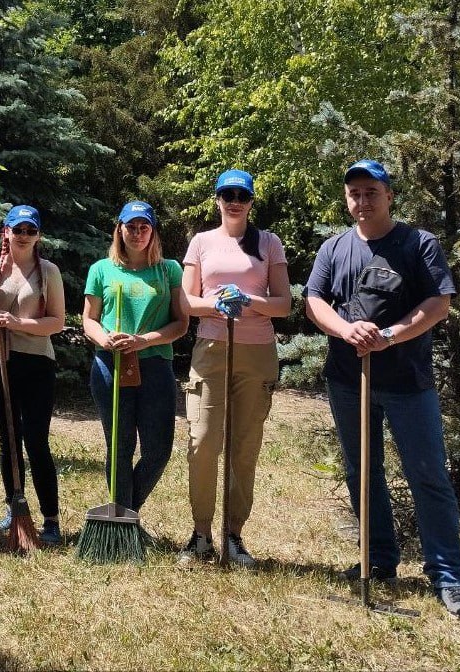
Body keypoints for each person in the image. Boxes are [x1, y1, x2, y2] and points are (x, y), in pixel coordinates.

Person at [304, 159, 460, 622]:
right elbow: (314, 300)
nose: (362, 202)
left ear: (389, 196)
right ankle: (379, 562)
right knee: (363, 472)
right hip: (348, 380)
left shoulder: (418, 244)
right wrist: (346, 331)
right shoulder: (334, 248)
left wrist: (388, 335)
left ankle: (448, 580)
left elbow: (438, 303)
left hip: (407, 381)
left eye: (371, 193)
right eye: (354, 194)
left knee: (428, 476)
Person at [177, 169, 291, 566]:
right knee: (203, 443)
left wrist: (248, 300)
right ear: (217, 199)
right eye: (227, 194)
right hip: (211, 350)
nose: (234, 201)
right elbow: (188, 302)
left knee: (244, 448)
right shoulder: (201, 242)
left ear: (251, 201)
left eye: (242, 195)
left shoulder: (269, 243)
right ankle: (201, 534)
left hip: (256, 353)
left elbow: (283, 304)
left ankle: (234, 535)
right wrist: (216, 304)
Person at [82, 201, 188, 514]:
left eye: (144, 227)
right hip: (110, 366)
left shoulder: (169, 269)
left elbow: (181, 324)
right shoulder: (101, 269)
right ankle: (121, 523)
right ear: (120, 229)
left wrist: (143, 341)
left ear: (153, 231)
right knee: (119, 447)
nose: (137, 233)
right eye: (131, 226)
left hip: (155, 364)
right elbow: (89, 319)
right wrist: (105, 339)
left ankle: (127, 512)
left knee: (158, 450)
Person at [0, 205, 67, 544]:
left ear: (37, 235)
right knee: (8, 438)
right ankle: (16, 508)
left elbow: (57, 322)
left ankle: (51, 519)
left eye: (30, 230)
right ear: (6, 233)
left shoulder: (48, 271)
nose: (24, 236)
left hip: (37, 362)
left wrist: (17, 323)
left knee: (36, 440)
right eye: (18, 230)